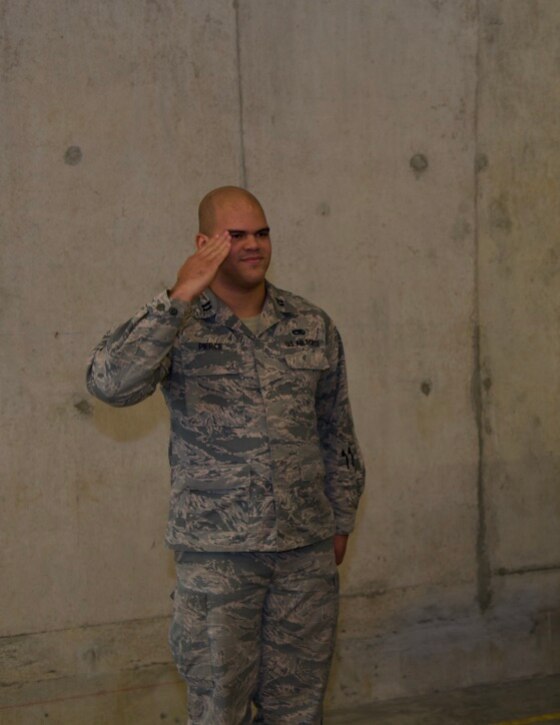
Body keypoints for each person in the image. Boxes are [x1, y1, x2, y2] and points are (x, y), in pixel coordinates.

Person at [86, 186, 365, 724]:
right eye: (236, 235)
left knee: (299, 710)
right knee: (219, 709)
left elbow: (338, 430)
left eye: (261, 233)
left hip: (304, 555)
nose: (254, 245)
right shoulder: (180, 324)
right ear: (204, 242)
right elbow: (110, 384)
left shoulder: (311, 324)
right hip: (218, 556)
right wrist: (178, 296)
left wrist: (341, 517)